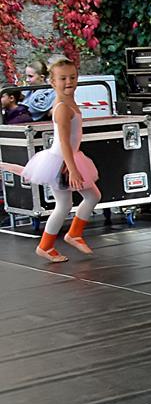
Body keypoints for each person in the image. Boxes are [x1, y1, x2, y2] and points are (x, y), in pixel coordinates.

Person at [20, 56, 101, 263]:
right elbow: (64, 142)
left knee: (77, 200)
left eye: (73, 77)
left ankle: (60, 240)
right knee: (75, 201)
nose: (69, 82)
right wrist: (72, 168)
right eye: (63, 78)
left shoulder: (69, 102)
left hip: (68, 159)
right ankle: (55, 242)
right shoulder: (62, 108)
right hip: (61, 161)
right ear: (52, 82)